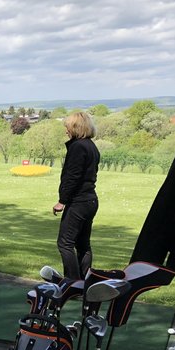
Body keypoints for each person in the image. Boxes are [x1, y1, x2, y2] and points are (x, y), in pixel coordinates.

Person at [52, 111, 100, 281]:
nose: (66, 130)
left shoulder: (78, 147)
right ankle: (86, 282)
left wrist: (61, 201)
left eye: (67, 126)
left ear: (75, 127)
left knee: (65, 243)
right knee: (83, 244)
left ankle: (72, 283)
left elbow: (73, 177)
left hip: (79, 202)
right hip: (90, 200)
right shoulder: (90, 145)